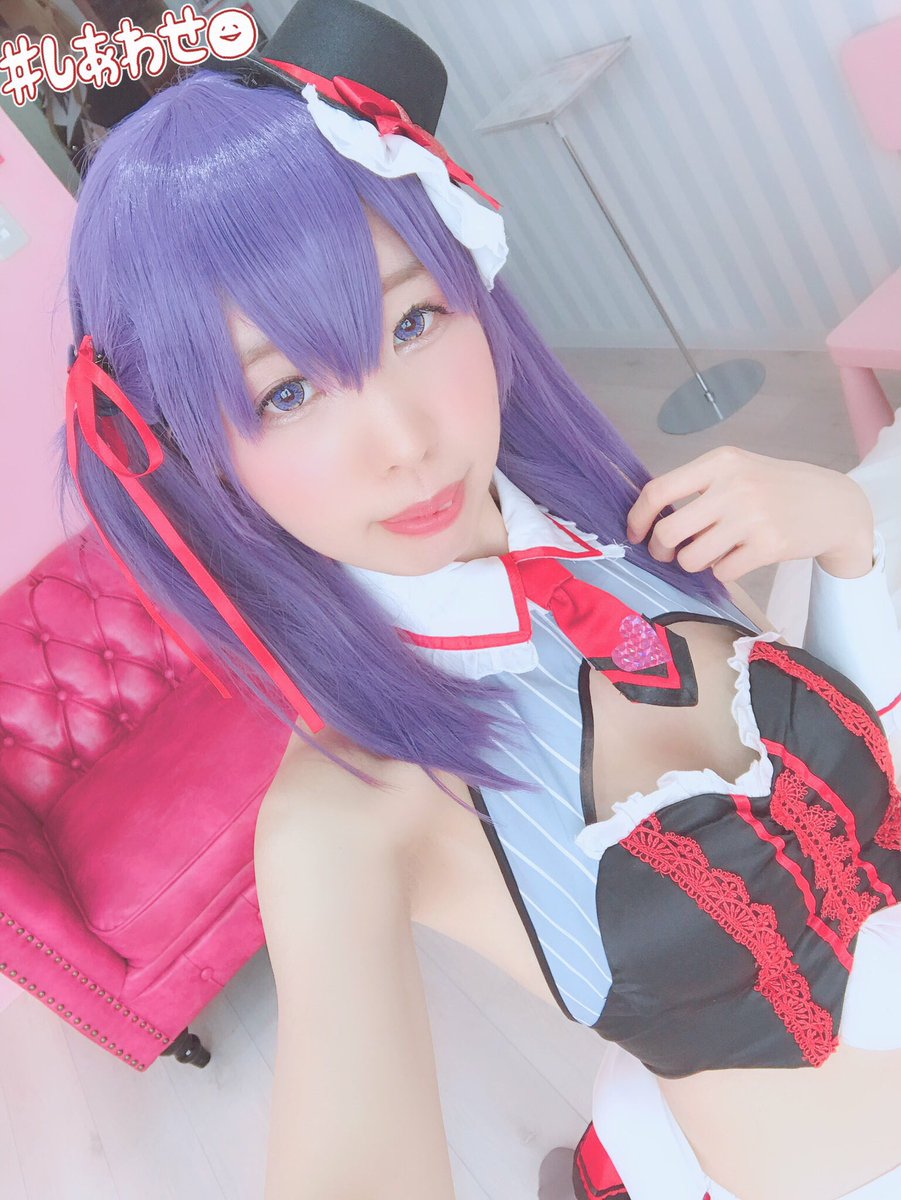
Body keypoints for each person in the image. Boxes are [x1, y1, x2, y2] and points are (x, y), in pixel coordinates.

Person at [54, 3, 901, 1198]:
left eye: (412, 320)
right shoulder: (347, 816)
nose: (405, 440)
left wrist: (846, 531)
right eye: (287, 394)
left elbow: (851, 760)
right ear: (198, 459)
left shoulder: (624, 525)